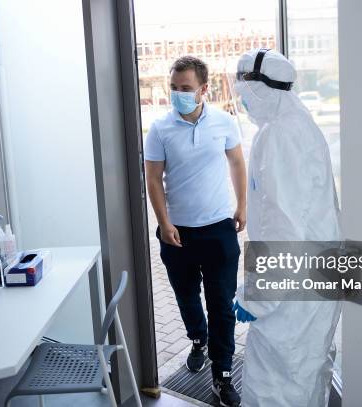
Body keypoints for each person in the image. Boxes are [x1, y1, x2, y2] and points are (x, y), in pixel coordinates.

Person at [233, 48, 342, 407]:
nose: (242, 101)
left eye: (243, 91)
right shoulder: (300, 124)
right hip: (310, 289)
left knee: (275, 391)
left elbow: (285, 230)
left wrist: (256, 295)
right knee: (306, 383)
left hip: (292, 299)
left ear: (260, 89)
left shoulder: (278, 136)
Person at [144, 56, 247, 407]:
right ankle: (198, 340)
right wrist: (164, 222)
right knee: (187, 298)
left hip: (219, 231)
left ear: (204, 89)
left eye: (185, 89)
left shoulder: (224, 122)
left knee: (221, 306)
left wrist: (242, 205)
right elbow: (153, 179)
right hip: (177, 234)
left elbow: (236, 162)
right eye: (173, 88)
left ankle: (222, 375)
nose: (178, 94)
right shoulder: (160, 128)